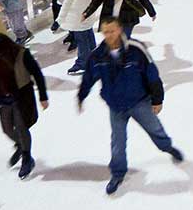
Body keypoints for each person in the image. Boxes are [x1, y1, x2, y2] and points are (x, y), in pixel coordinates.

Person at [77, 18, 184, 195]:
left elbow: (152, 74)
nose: (109, 35)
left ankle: (167, 147)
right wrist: (81, 96)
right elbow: (88, 78)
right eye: (105, 32)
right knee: (117, 142)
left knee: (155, 129)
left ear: (119, 29)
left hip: (139, 102)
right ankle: (117, 173)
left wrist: (157, 99)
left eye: (112, 31)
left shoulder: (136, 49)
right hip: (116, 106)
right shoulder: (98, 56)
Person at [0, 33, 49, 180]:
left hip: (21, 97)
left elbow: (37, 74)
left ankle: (27, 157)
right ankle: (21, 145)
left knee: (21, 127)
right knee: (7, 129)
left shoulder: (22, 54)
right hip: (3, 99)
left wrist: (43, 96)